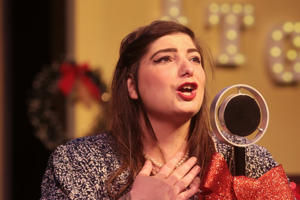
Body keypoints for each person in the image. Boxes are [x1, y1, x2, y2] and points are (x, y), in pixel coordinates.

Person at [40, 20, 294, 200]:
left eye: (194, 58)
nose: (188, 68)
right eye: (165, 58)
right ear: (132, 86)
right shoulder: (75, 162)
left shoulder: (247, 161)